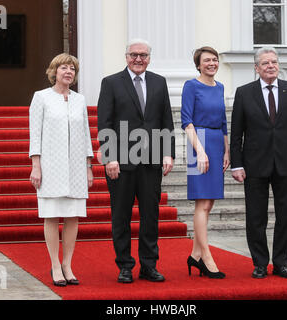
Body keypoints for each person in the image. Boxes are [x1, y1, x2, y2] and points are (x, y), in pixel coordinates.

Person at [97, 39, 175, 283]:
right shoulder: (111, 83)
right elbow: (105, 122)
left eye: (143, 55)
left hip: (151, 161)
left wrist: (167, 152)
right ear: (126, 56)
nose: (138, 59)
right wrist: (109, 157)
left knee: (150, 216)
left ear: (149, 58)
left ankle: (149, 265)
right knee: (121, 216)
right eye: (134, 55)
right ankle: (125, 266)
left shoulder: (159, 82)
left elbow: (166, 120)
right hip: (120, 162)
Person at [230, 47, 287, 279]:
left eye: (274, 62)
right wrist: (237, 164)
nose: (270, 66)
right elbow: (237, 132)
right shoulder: (244, 93)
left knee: (285, 216)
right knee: (256, 217)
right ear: (256, 68)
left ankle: (281, 263)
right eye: (265, 63)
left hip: (286, 163)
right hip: (254, 164)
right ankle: (259, 263)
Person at [29, 53, 94, 286]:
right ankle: (55, 265)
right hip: (51, 165)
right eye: (64, 68)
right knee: (52, 214)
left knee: (72, 215)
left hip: (76, 166)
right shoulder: (41, 98)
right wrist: (36, 165)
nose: (69, 72)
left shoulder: (79, 100)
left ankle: (67, 264)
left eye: (72, 69)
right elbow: (35, 134)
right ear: (54, 71)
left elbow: (86, 135)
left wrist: (88, 166)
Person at [181, 47, 230, 279]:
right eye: (207, 60)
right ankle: (207, 257)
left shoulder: (219, 87)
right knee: (201, 203)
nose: (212, 63)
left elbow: (223, 122)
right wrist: (199, 151)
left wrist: (226, 151)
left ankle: (195, 255)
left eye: (215, 59)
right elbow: (186, 121)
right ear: (198, 65)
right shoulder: (191, 86)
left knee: (209, 204)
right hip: (198, 142)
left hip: (216, 143)